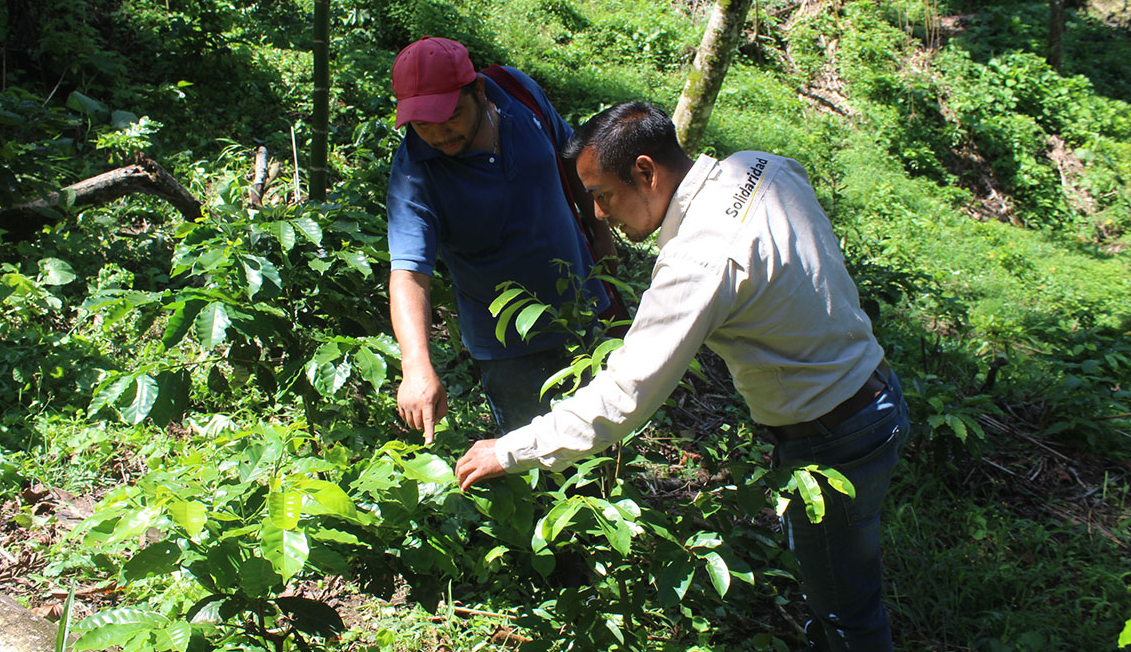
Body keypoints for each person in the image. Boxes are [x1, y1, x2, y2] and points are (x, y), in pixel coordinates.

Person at [454, 102, 910, 651]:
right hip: (873, 392)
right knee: (835, 583)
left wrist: (509, 451)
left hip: (837, 434)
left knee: (846, 617)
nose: (599, 216)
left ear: (646, 172)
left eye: (603, 196)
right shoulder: (762, 167)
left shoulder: (700, 256)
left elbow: (626, 393)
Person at [386, 37, 617, 445]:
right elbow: (409, 274)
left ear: (477, 90)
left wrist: (601, 233)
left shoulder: (516, 92)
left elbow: (573, 159)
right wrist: (416, 364)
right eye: (423, 124)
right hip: (511, 349)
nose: (439, 135)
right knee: (539, 458)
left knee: (607, 435)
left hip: (586, 306)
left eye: (451, 116)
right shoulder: (414, 174)